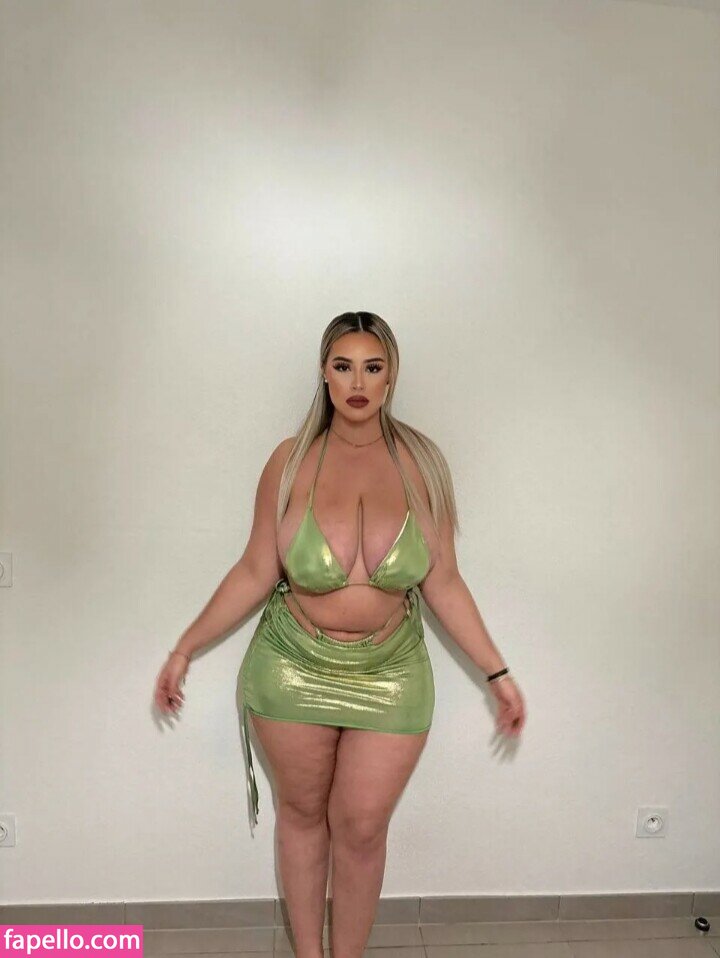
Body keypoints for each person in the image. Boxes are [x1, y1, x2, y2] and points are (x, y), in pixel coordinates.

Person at [153, 311, 526, 958]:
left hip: (392, 672)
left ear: (390, 377)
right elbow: (255, 570)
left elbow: (443, 581)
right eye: (343, 366)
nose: (357, 382)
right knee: (301, 819)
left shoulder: (422, 464)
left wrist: (498, 672)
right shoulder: (290, 461)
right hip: (290, 665)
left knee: (361, 828)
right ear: (324, 375)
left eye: (372, 367)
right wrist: (185, 648)